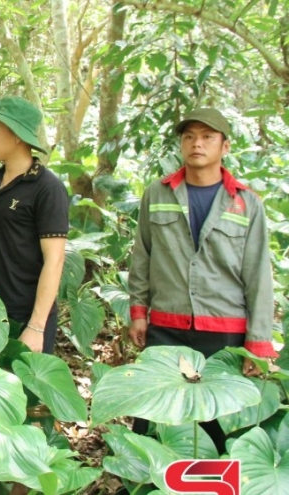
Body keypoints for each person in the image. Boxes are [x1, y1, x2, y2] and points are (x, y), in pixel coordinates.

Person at [128, 108, 276, 452]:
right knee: (154, 424)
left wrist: (258, 342)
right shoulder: (157, 194)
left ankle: (210, 479)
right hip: (166, 327)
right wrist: (137, 311)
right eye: (189, 137)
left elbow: (258, 275)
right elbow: (142, 256)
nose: (197, 144)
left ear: (225, 147)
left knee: (217, 429)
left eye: (208, 137)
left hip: (224, 331)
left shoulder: (247, 203)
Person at [0, 96, 68, 354]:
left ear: (17, 136)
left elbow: (55, 260)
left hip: (27, 316)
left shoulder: (48, 189)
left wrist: (36, 326)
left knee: (23, 381)